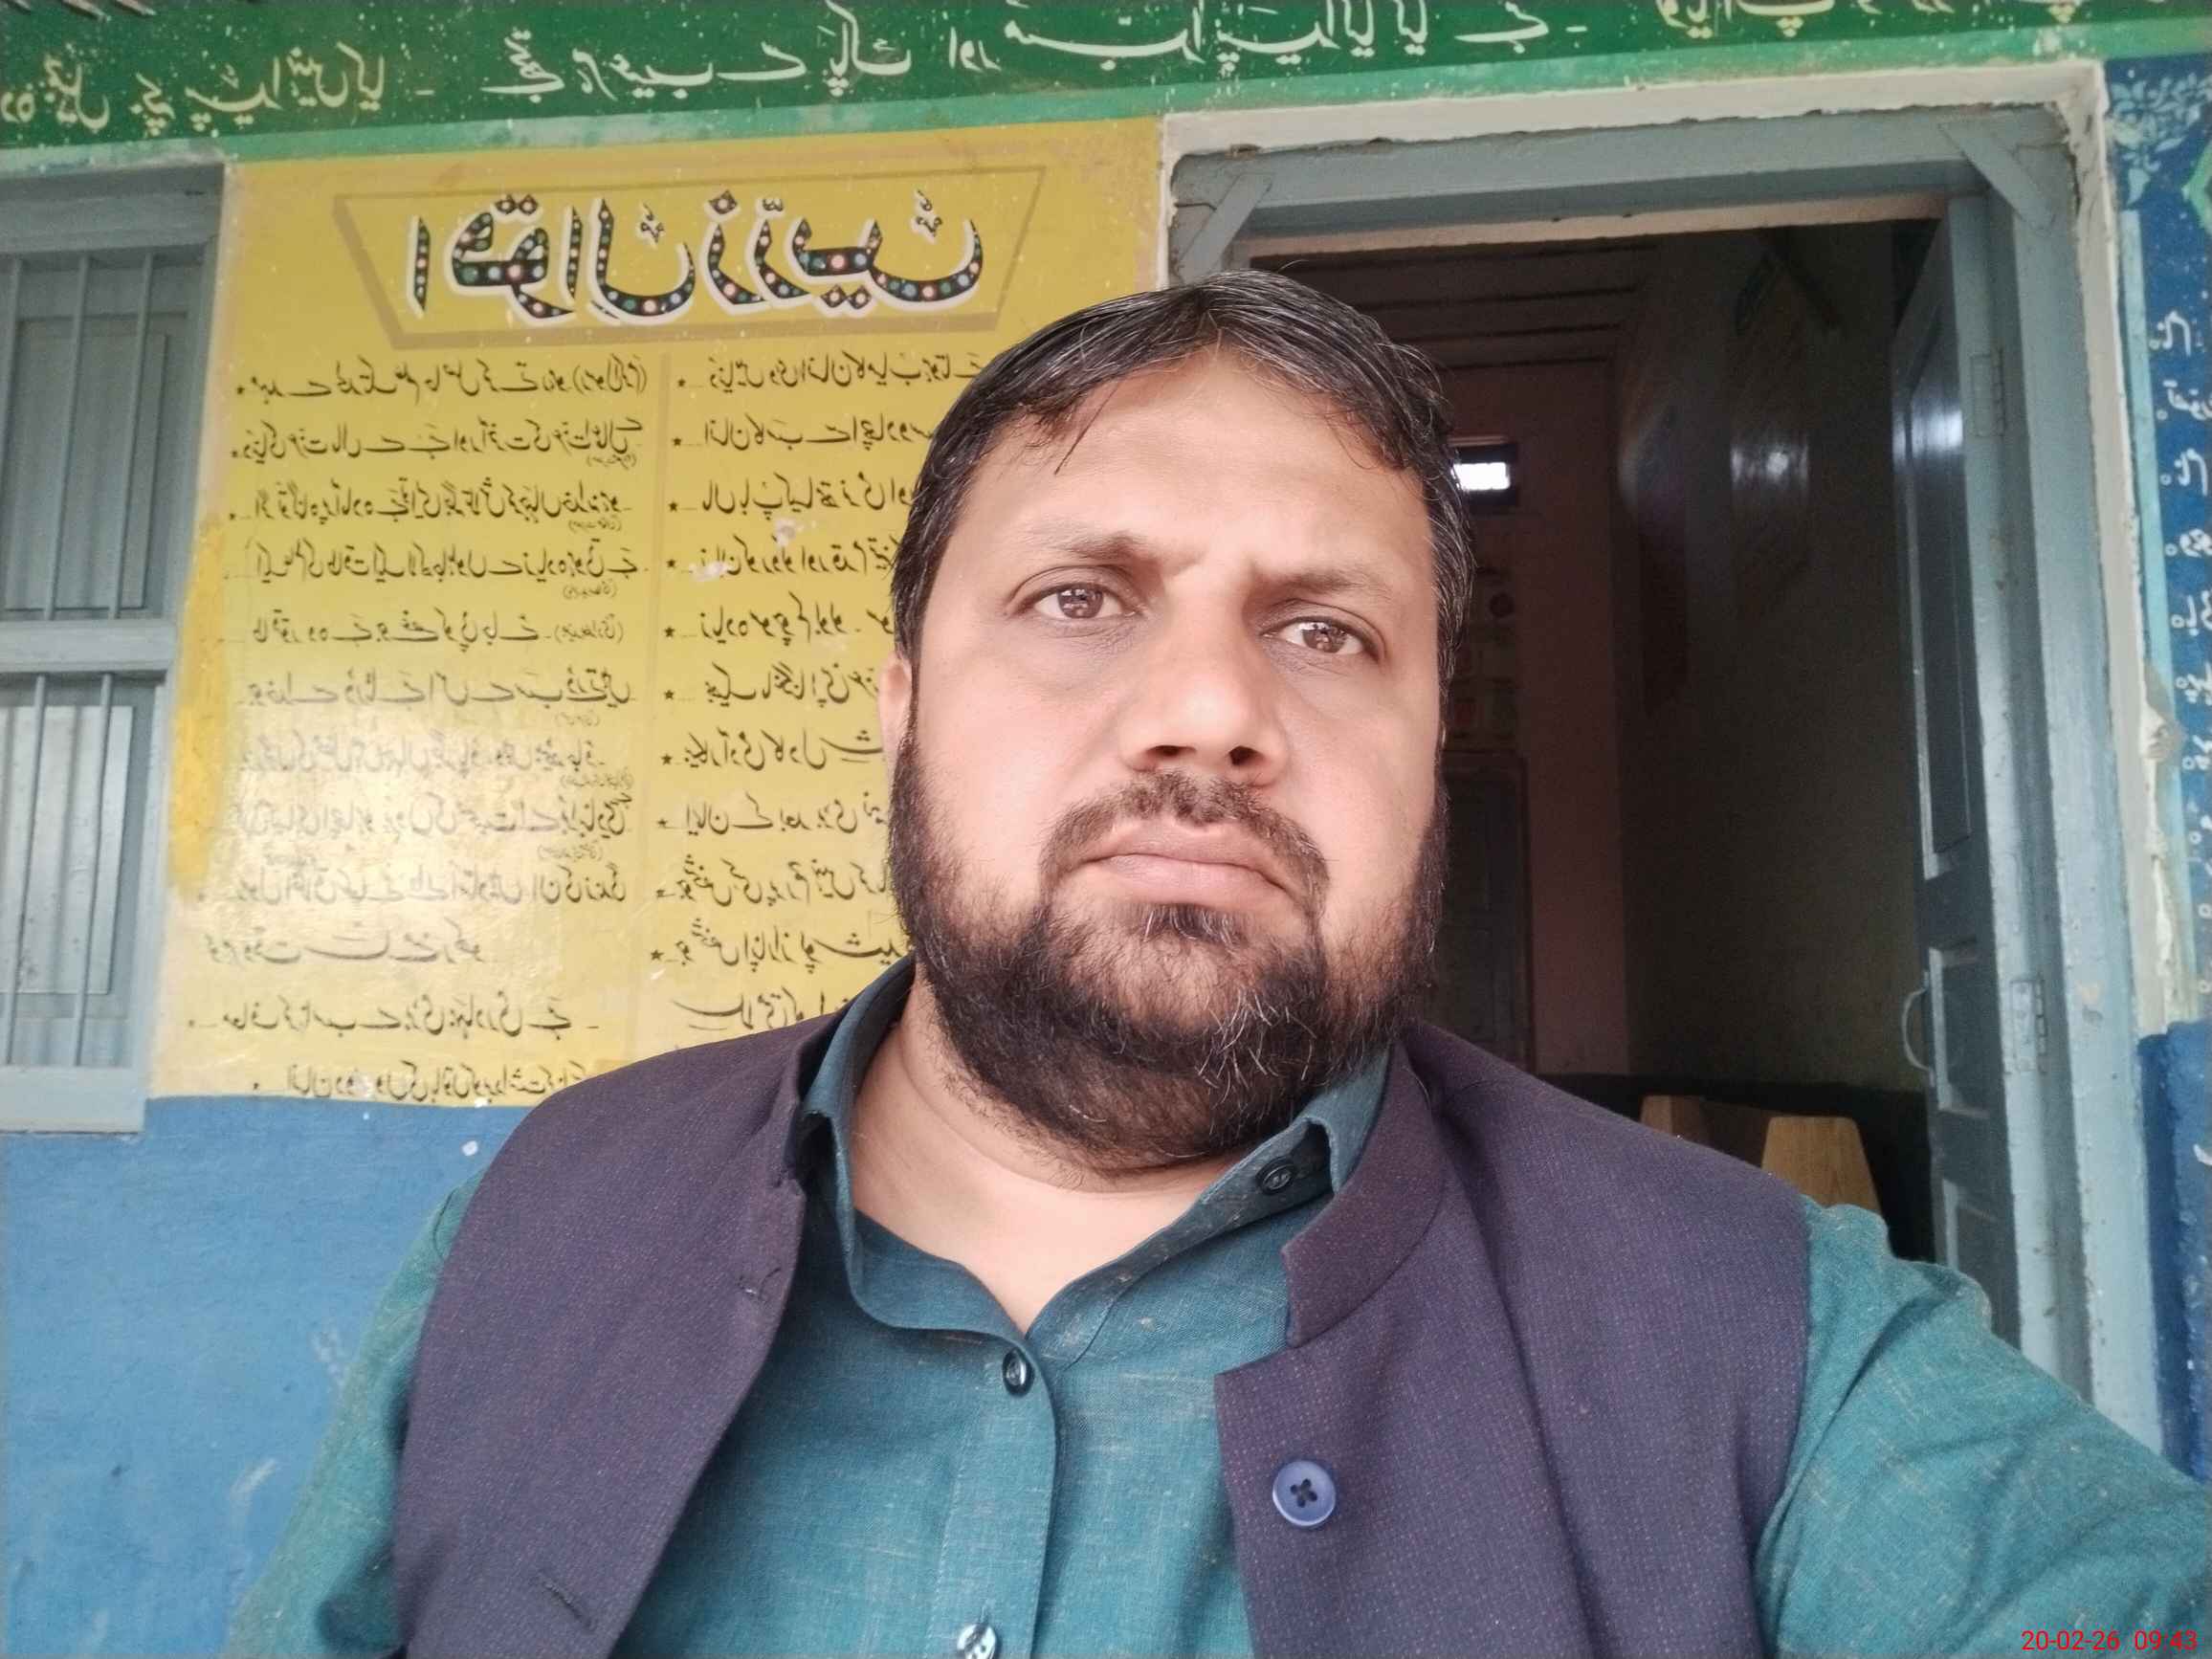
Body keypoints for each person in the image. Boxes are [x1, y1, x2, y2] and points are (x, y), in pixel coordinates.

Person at [226, 271, 2208, 1658]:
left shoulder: (1767, 1336)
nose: (1208, 713)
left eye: (1326, 633)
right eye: (1079, 599)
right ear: (902, 710)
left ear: (1430, 750)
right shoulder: (541, 1221)